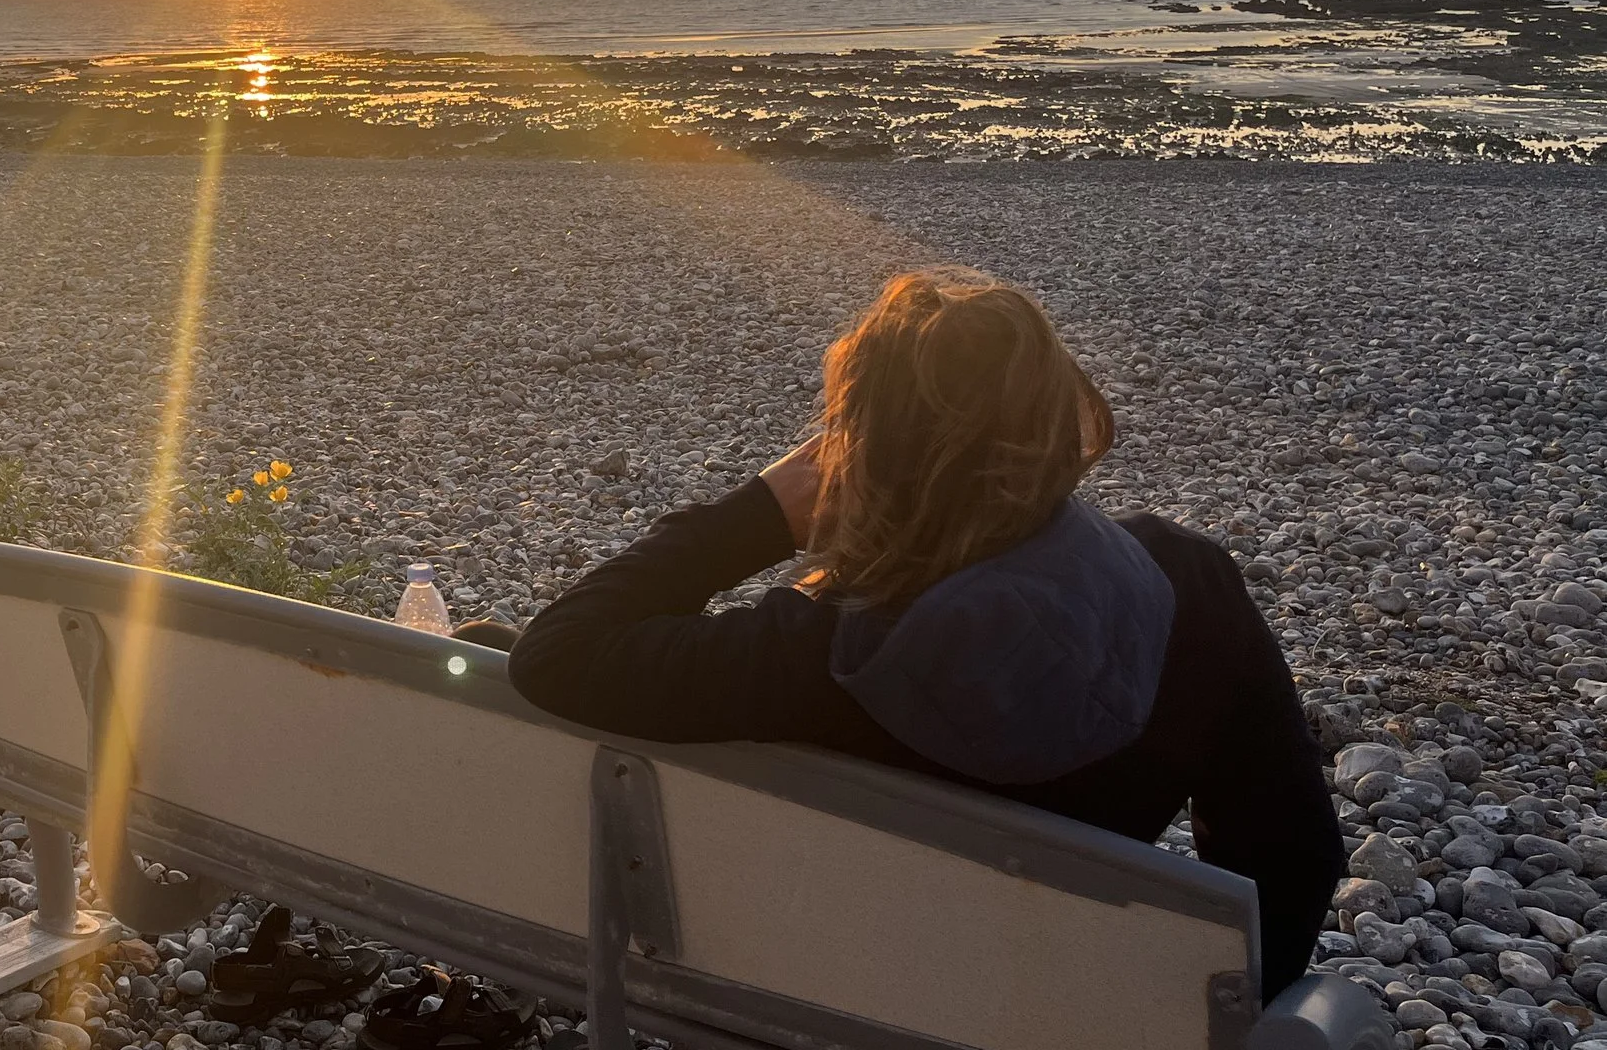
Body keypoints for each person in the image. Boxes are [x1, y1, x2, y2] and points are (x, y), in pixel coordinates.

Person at [500, 268, 1342, 1000]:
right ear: (1054, 429)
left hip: (833, 998)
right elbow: (1295, 857)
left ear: (859, 451)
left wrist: (758, 514)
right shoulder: (1186, 583)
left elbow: (556, 653)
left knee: (491, 645)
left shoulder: (819, 652)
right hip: (1099, 1041)